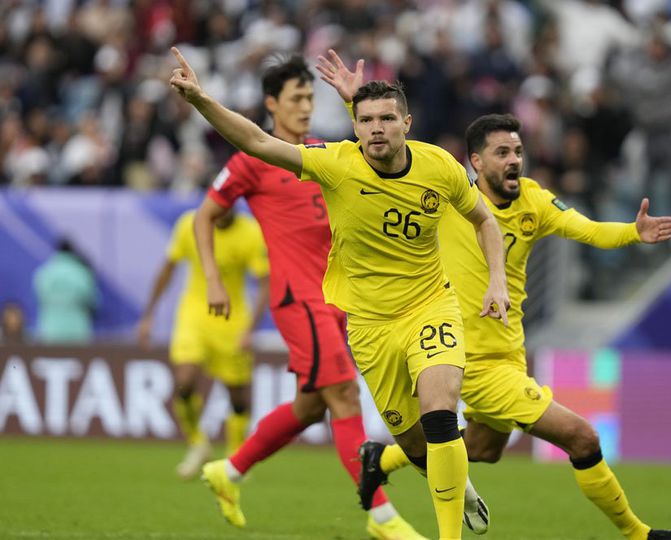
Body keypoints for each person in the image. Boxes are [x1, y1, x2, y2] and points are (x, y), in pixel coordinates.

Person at [169, 46, 510, 540]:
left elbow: (484, 219)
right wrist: (201, 100)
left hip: (429, 304)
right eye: (366, 120)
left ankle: (405, 523)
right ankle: (233, 469)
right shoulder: (332, 162)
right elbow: (253, 141)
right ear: (355, 125)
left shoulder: (440, 166)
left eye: (387, 119)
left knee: (434, 406)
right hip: (363, 321)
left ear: (407, 123)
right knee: (410, 439)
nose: (376, 127)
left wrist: (496, 279)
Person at [357, 114, 671, 540]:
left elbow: (587, 230)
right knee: (582, 437)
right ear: (476, 162)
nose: (514, 160)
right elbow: (390, 156)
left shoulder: (534, 202)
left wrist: (632, 232)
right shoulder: (448, 198)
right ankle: (640, 534)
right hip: (470, 359)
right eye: (502, 153)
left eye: (518, 151)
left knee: (483, 449)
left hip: (509, 353)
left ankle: (381, 459)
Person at [191, 54, 425, 540]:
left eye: (308, 98)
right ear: (271, 103)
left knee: (313, 406)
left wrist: (352, 101)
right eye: (295, 98)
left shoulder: (322, 151)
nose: (303, 107)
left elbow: (376, 151)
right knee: (342, 394)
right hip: (299, 299)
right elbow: (204, 217)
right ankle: (382, 517)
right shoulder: (251, 159)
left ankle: (228, 471)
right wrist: (213, 277)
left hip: (341, 301)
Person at [137, 208, 268, 480]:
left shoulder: (251, 232)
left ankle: (236, 454)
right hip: (194, 315)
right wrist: (148, 314)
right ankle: (198, 442)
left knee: (238, 396)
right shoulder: (189, 224)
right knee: (184, 380)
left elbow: (265, 283)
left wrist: (250, 328)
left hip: (233, 321)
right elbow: (168, 268)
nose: (221, 212)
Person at [33, 238, 98, 344]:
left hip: (50, 331)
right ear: (72, 251)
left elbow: (40, 299)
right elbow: (93, 302)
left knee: (51, 360)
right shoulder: (81, 273)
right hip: (77, 333)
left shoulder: (44, 273)